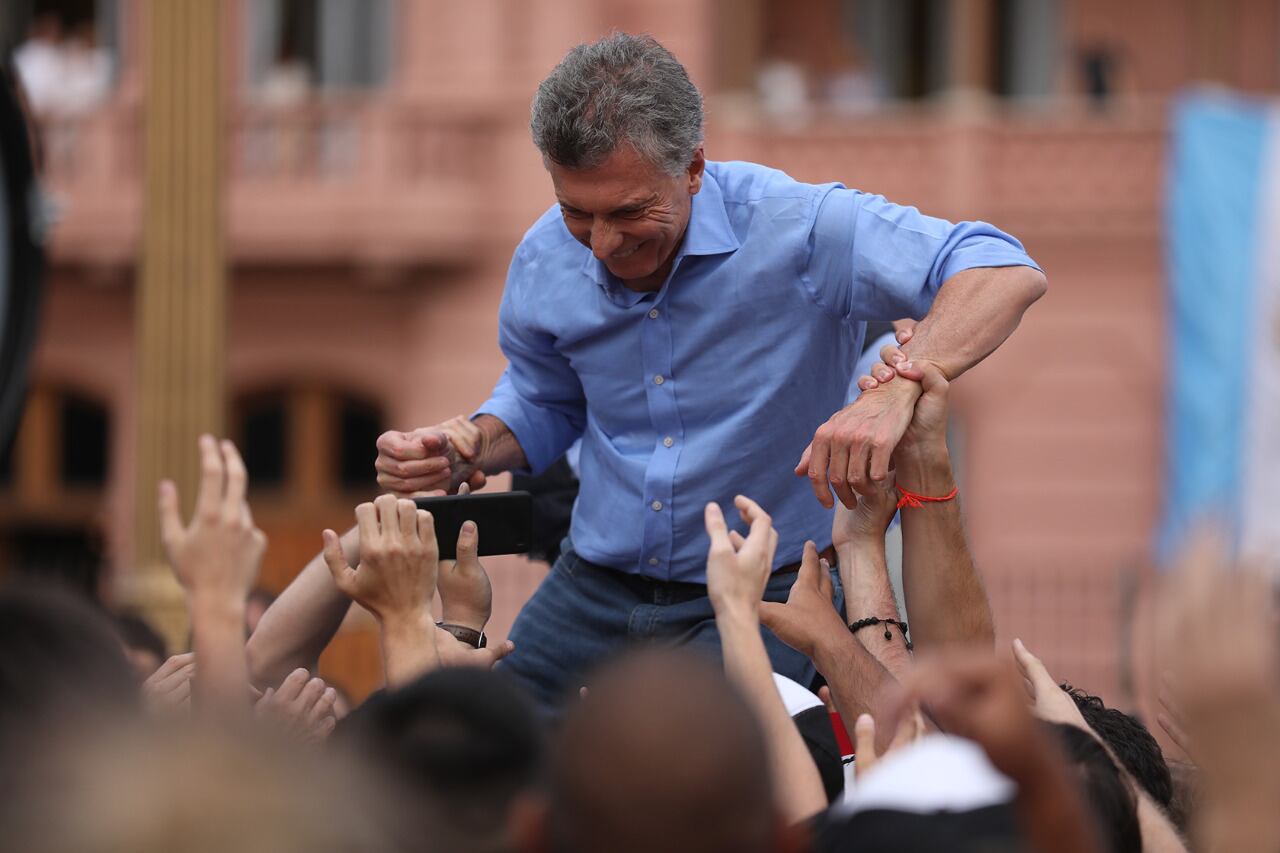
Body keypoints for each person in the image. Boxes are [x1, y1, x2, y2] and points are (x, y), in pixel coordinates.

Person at [371, 32, 1045, 713]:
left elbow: (1001, 268)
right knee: (484, 756)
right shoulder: (544, 256)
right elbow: (545, 396)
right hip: (591, 584)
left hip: (765, 588)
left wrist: (899, 386)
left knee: (692, 787)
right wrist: (470, 445)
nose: (602, 244)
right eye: (578, 211)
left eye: (630, 211)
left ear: (693, 167)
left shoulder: (802, 228)